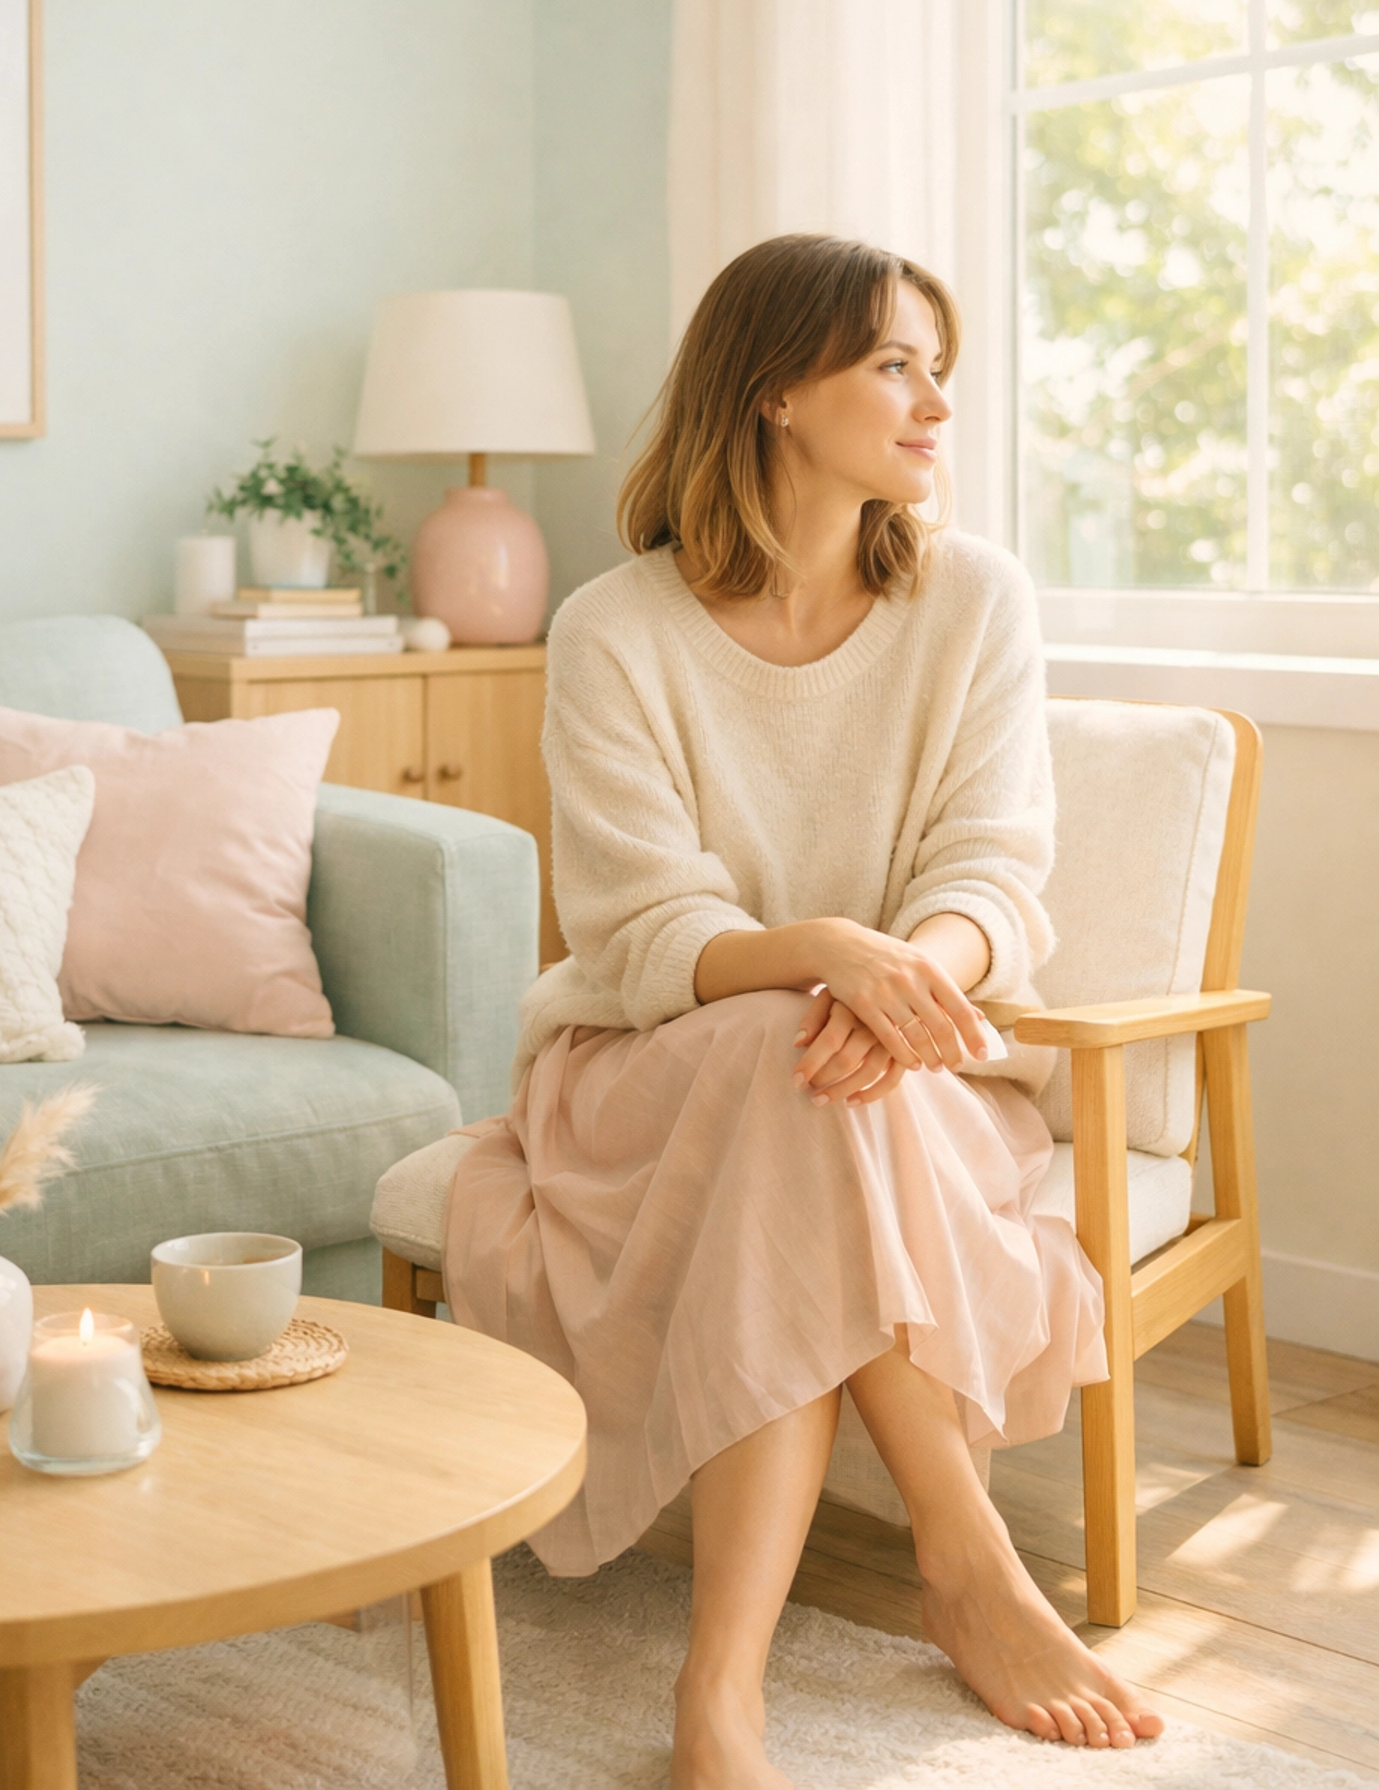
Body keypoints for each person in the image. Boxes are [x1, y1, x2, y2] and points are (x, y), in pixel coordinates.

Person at [445, 235, 1165, 1786]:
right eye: (895, 367)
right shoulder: (615, 628)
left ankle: (722, 1693)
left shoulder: (974, 601)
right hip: (645, 1070)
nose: (936, 407)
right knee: (792, 1068)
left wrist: (898, 982)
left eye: (936, 370)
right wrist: (828, 952)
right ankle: (964, 1561)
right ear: (775, 391)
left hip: (914, 1068)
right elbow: (641, 929)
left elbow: (993, 872)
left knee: (803, 1089)